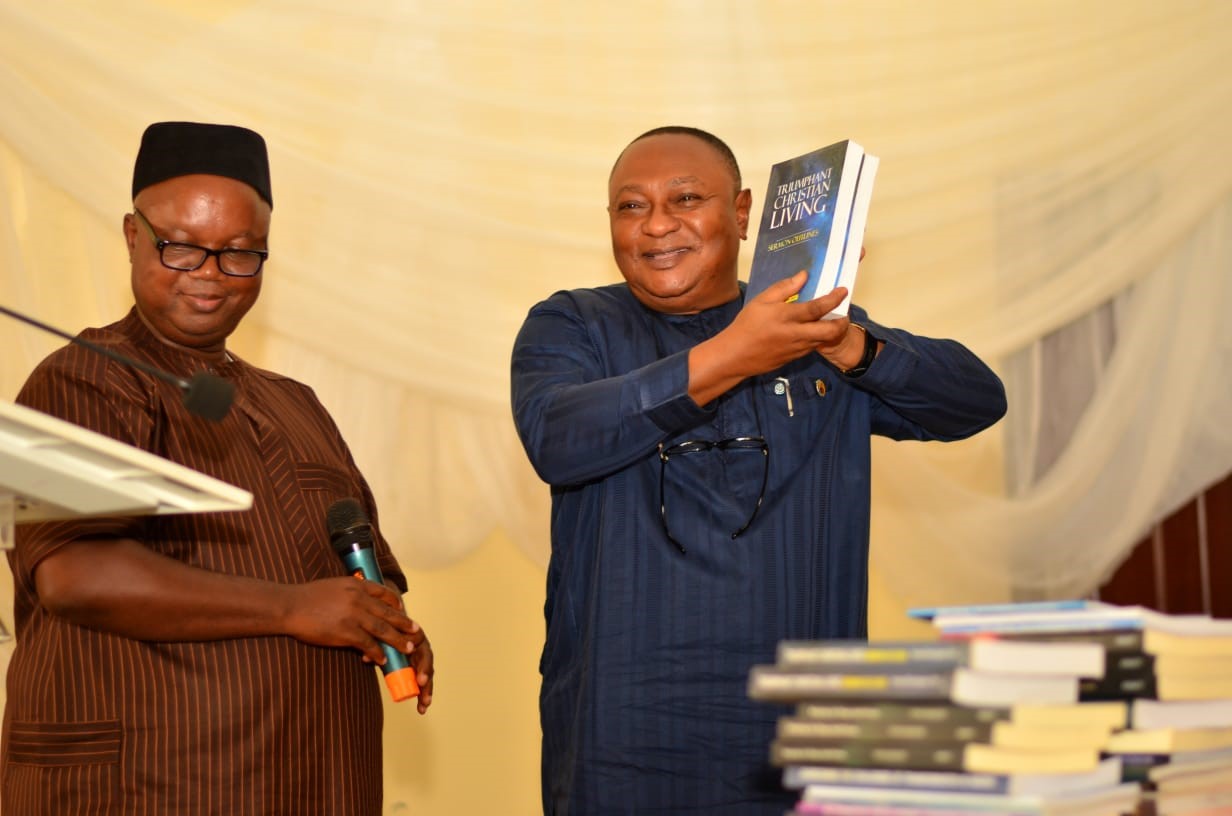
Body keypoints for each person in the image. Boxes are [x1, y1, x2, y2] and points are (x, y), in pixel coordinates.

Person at [510, 126, 1007, 815]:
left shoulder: (810, 335)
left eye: (685, 198)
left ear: (744, 215)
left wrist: (849, 345)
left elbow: (977, 401)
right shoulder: (574, 325)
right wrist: (735, 354)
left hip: (802, 732)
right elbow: (558, 438)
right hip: (620, 734)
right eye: (630, 207)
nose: (656, 225)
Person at [1, 121, 434, 815]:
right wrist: (294, 607)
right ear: (131, 235)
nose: (208, 274)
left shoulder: (298, 406)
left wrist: (387, 626)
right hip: (154, 786)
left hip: (311, 781)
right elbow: (74, 573)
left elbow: (358, 577)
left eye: (239, 254)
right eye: (180, 247)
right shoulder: (80, 378)